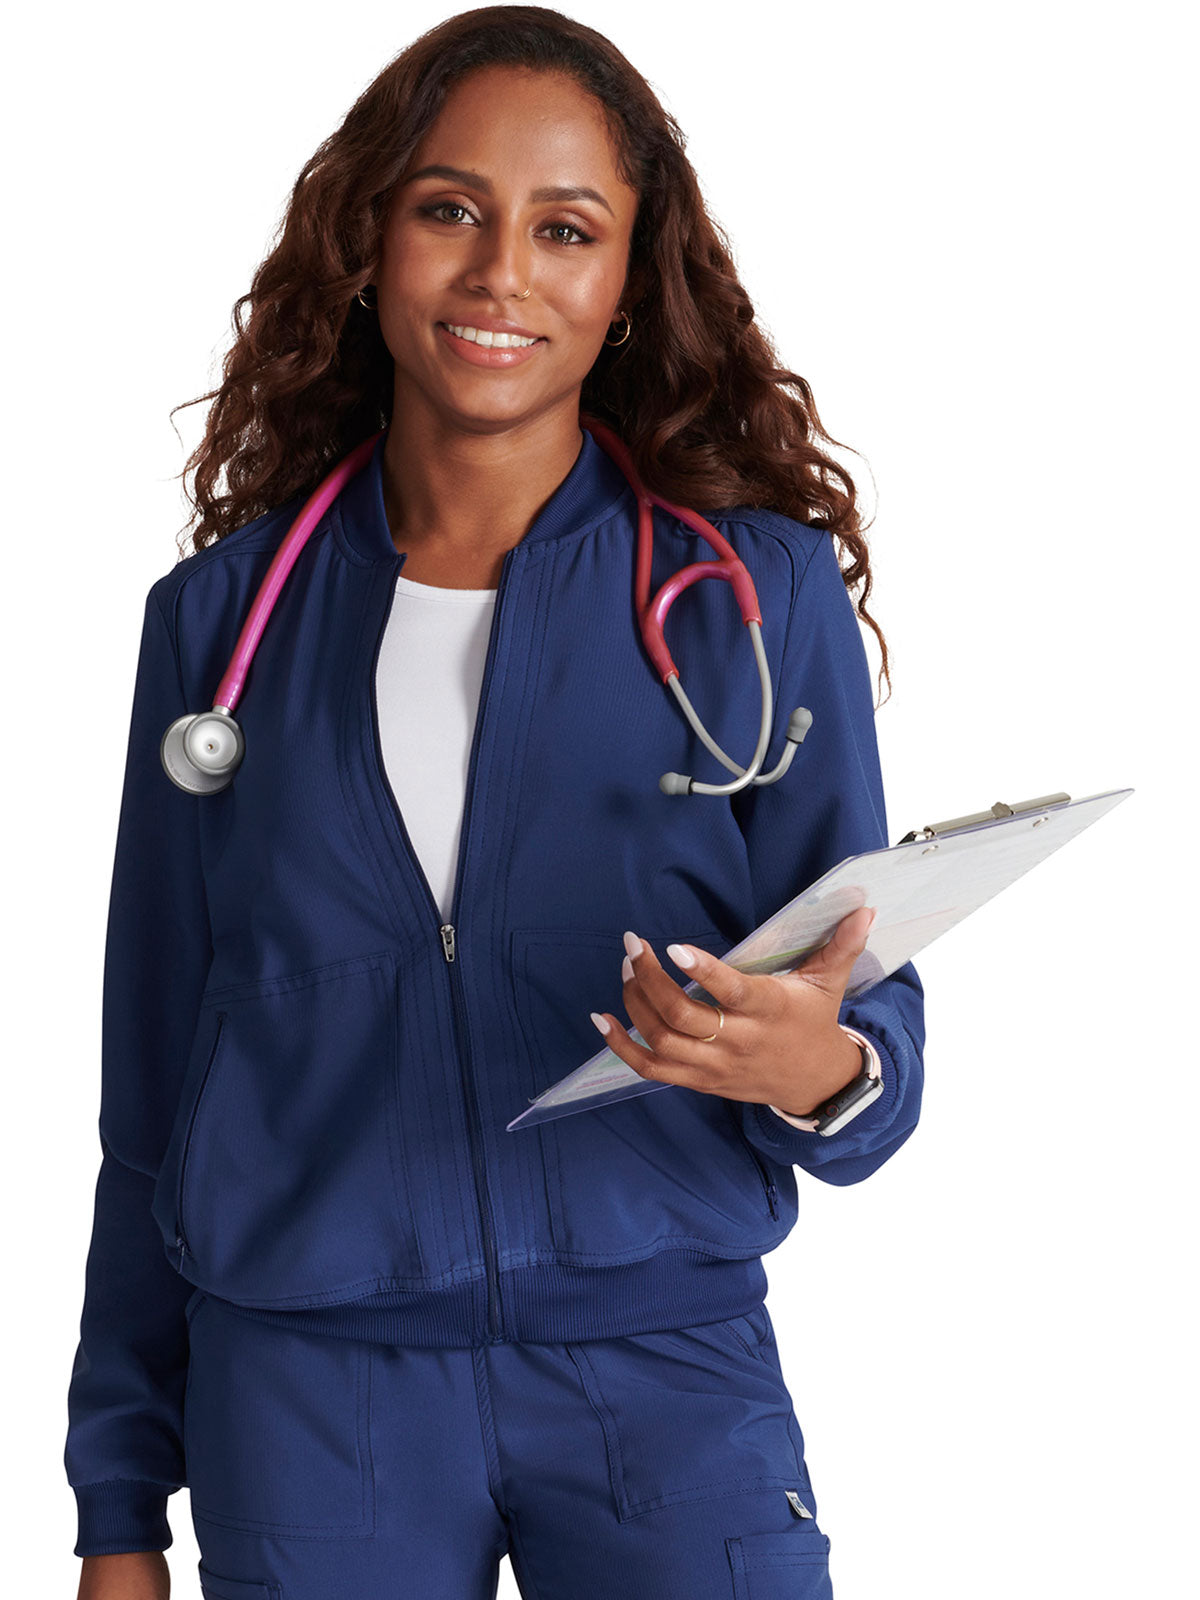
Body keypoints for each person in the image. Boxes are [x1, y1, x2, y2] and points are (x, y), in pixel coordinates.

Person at [65, 7, 925, 1598]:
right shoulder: (219, 626)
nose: (501, 275)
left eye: (566, 229)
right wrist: (119, 1502)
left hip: (665, 1374)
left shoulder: (757, 600)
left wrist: (818, 1069)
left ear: (629, 280)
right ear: (368, 240)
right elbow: (154, 1080)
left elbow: (870, 1017)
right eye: (450, 210)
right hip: (310, 1397)